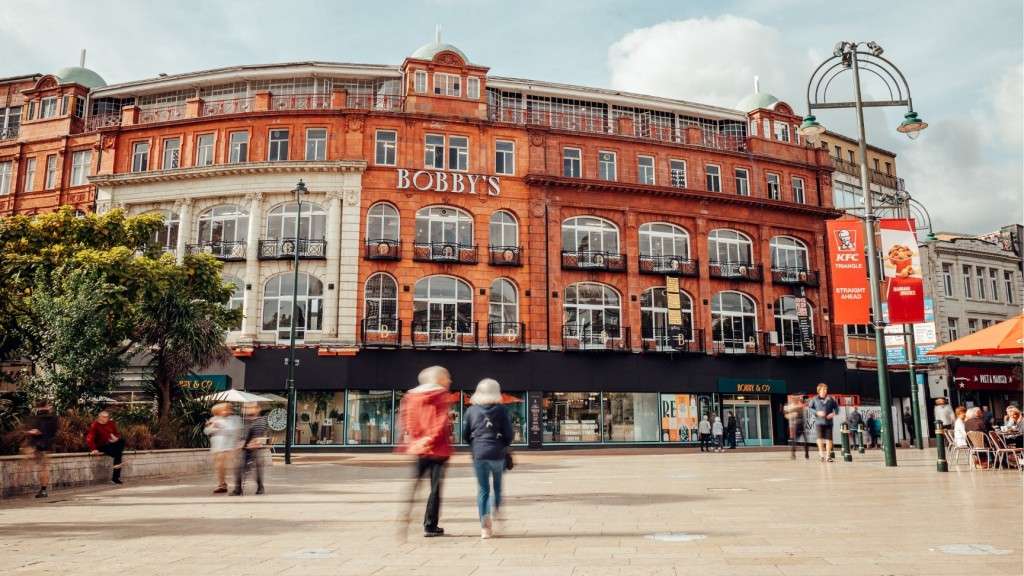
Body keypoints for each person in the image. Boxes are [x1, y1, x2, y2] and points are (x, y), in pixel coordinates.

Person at [398, 365, 453, 538]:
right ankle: (430, 525)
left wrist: (417, 439)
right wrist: (431, 438)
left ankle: (406, 512)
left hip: (419, 447)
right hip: (438, 449)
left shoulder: (411, 396)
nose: (449, 380)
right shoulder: (441, 395)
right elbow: (441, 421)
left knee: (415, 483)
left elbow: (407, 420)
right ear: (439, 379)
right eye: (447, 377)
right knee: (435, 488)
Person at [462, 378, 513, 539]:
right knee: (497, 487)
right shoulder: (501, 410)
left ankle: (485, 525)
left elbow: (465, 434)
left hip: (479, 454)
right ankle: (495, 509)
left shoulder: (471, 411)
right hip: (497, 454)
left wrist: (475, 443)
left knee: (483, 489)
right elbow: (509, 435)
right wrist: (503, 443)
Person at [22, 401, 58, 498]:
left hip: (37, 446)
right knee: (43, 467)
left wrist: (30, 432)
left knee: (31, 465)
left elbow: (38, 431)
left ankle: (39, 489)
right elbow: (53, 431)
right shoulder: (54, 418)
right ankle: (43, 490)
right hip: (46, 446)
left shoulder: (38, 417)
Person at [231, 402, 266, 496]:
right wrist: (240, 443)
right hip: (245, 449)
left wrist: (255, 442)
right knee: (238, 468)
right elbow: (244, 435)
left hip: (256, 449)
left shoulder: (260, 421)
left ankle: (260, 487)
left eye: (250, 407)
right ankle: (238, 489)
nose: (247, 409)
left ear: (257, 409)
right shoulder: (246, 421)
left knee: (257, 468)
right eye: (246, 408)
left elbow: (259, 434)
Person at [204, 402, 240, 494]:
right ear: (218, 411)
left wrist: (220, 426)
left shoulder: (234, 419)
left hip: (230, 447)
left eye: (227, 409)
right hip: (217, 447)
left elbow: (234, 431)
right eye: (224, 409)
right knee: (219, 467)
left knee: (233, 466)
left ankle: (238, 484)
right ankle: (222, 484)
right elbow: (207, 432)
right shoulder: (213, 419)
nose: (226, 411)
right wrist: (212, 427)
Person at [87, 410, 125, 484]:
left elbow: (117, 434)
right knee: (118, 454)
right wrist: (93, 449)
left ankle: (115, 478)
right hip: (102, 445)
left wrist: (115, 438)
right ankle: (115, 478)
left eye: (107, 417)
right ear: (99, 417)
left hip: (111, 444)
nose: (106, 419)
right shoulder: (95, 425)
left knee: (122, 441)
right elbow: (90, 438)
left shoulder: (111, 423)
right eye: (104, 417)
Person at [807, 384, 838, 462]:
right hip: (819, 422)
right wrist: (817, 413)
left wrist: (833, 413)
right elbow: (810, 408)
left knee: (829, 440)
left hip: (829, 423)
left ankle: (828, 456)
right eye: (823, 389)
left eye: (826, 389)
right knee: (819, 439)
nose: (825, 391)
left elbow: (837, 408)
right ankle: (821, 455)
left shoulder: (831, 399)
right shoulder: (814, 399)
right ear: (819, 390)